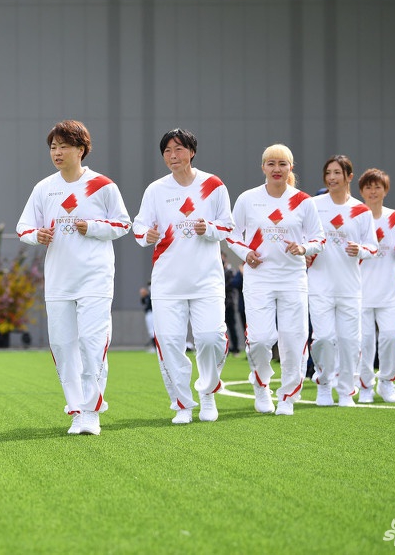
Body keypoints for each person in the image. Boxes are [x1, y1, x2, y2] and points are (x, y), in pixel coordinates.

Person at [17, 120, 131, 435]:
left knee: (92, 344)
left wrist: (92, 227)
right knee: (63, 345)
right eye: (53, 147)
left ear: (81, 149)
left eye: (64, 146)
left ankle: (91, 412)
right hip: (59, 280)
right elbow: (23, 227)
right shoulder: (44, 188)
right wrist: (36, 235)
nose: (57, 152)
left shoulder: (102, 186)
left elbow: (123, 224)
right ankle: (77, 410)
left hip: (95, 278)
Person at [132, 128, 233, 424]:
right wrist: (147, 235)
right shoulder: (156, 190)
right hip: (168, 282)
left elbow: (227, 225)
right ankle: (182, 404)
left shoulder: (213, 186)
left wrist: (209, 229)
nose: (172, 156)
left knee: (211, 338)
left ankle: (208, 392)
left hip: (206, 280)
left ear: (192, 152)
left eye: (178, 149)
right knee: (170, 343)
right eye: (167, 151)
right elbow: (138, 226)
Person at [226, 143, 325, 416]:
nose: (277, 169)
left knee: (293, 340)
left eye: (282, 164)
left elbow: (319, 238)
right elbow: (232, 234)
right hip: (259, 278)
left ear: (290, 168)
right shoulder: (248, 199)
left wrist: (303, 248)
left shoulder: (303, 201)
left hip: (293, 278)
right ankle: (261, 386)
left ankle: (288, 397)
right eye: (271, 163)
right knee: (260, 339)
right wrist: (246, 253)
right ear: (263, 167)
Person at [306, 156, 378, 408]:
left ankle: (346, 391)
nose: (332, 177)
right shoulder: (313, 205)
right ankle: (324, 385)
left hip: (349, 287)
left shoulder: (361, 211)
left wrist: (360, 250)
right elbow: (303, 238)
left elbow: (373, 247)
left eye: (337, 172)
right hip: (319, 284)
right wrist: (305, 253)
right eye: (328, 173)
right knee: (324, 339)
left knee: (349, 341)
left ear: (349, 176)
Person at [358, 168, 395, 403]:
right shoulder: (356, 215)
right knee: (365, 342)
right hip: (360, 291)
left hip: (389, 292)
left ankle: (387, 382)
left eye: (377, 187)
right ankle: (365, 386)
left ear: (385, 190)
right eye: (368, 187)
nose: (373, 191)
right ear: (361, 191)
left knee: (390, 337)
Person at [139, 284, 154, 349]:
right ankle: (154, 347)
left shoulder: (151, 295)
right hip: (148, 314)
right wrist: (143, 296)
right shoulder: (147, 297)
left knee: (153, 331)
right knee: (151, 331)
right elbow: (143, 302)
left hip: (152, 313)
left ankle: (155, 347)